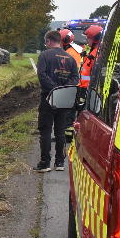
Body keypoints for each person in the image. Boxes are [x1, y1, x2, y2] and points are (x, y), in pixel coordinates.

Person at [35, 30, 79, 172]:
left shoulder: (44, 55)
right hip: (64, 99)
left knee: (46, 130)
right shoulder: (70, 58)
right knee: (60, 131)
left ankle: (45, 163)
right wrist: (64, 89)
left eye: (45, 42)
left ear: (48, 41)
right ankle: (60, 163)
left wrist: (54, 89)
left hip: (48, 97)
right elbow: (75, 78)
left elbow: (42, 75)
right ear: (59, 41)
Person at [59, 28, 82, 142]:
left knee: (68, 112)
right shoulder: (74, 50)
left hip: (71, 86)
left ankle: (67, 136)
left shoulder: (70, 53)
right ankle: (65, 134)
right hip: (73, 85)